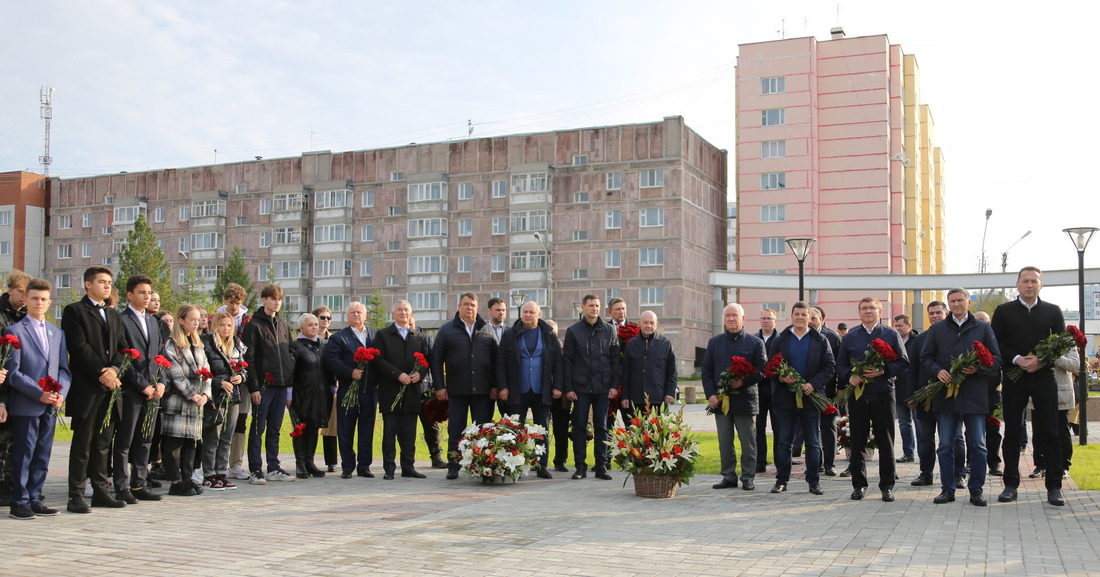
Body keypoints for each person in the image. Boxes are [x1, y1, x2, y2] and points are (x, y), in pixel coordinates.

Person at [991, 266, 1068, 506]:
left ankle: (1054, 486)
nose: (1030, 285)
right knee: (1013, 432)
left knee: (1050, 432)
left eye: (1034, 281)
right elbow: (996, 343)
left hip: (1044, 377)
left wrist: (1042, 359)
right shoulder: (1003, 311)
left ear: (1041, 285)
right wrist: (1016, 359)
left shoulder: (1053, 311)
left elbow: (1062, 342)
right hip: (1015, 379)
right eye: (1025, 281)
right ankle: (1010, 484)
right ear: (1017, 284)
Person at [921, 288, 1001, 506]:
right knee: (946, 445)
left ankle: (976, 489)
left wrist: (979, 368)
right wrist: (937, 370)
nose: (957, 304)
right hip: (946, 396)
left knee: (978, 445)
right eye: (952, 301)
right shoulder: (937, 329)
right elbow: (925, 358)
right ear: (948, 304)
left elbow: (995, 359)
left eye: (960, 300)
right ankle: (948, 489)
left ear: (968, 302)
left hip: (975, 395)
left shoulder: (982, 328)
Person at [63, 266, 128, 513]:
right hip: (88, 388)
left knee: (103, 443)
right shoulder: (74, 311)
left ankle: (101, 491)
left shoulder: (113, 314)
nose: (107, 286)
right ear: (88, 284)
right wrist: (103, 373)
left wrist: (114, 370)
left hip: (110, 389)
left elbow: (124, 349)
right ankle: (76, 495)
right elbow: (79, 348)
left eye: (109, 282)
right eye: (102, 282)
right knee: (83, 443)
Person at [4, 278, 70, 519]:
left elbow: (64, 369)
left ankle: (35, 498)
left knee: (43, 454)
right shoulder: (14, 331)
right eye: (34, 298)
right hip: (27, 404)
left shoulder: (57, 333)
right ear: (27, 300)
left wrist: (60, 393)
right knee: (24, 454)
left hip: (51, 405)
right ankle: (19, 501)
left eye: (43, 299)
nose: (39, 302)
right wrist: (38, 393)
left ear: (50, 302)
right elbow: (13, 373)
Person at [836, 296, 908, 502]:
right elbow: (840, 366)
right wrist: (850, 376)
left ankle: (887, 485)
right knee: (857, 440)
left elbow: (903, 363)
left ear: (880, 311)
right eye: (864, 308)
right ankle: (859, 485)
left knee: (885, 441)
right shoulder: (850, 337)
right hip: (858, 397)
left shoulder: (891, 334)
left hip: (883, 394)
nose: (868, 311)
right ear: (859, 312)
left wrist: (883, 371)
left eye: (872, 308)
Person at [767, 301, 835, 495]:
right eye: (797, 314)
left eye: (804, 314)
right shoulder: (780, 340)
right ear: (791, 316)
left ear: (809, 318)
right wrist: (779, 377)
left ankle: (813, 481)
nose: (800, 317)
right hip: (785, 399)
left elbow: (829, 366)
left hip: (811, 397)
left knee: (813, 442)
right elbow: (771, 366)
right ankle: (781, 480)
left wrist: (813, 383)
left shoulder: (820, 340)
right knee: (784, 442)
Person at [432, 293, 498, 480]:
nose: (470, 308)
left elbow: (496, 361)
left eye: (473, 305)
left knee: (483, 431)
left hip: (483, 391)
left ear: (478, 308)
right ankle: (454, 465)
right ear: (459, 306)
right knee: (456, 430)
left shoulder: (487, 329)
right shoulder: (447, 330)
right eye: (466, 304)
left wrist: (495, 386)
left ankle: (484, 466)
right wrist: (439, 386)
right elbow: (436, 360)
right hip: (456, 389)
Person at [113, 275, 166, 504]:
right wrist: (142, 385)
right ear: (130, 295)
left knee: (146, 439)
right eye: (142, 292)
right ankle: (122, 486)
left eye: (149, 292)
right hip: (131, 390)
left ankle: (139, 483)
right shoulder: (121, 320)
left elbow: (159, 357)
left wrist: (161, 382)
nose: (147, 297)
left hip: (153, 391)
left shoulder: (154, 322)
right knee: (125, 440)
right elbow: (123, 358)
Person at [702, 303, 765, 491]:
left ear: (743, 318)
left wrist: (743, 381)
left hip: (745, 400)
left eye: (735, 315)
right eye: (728, 315)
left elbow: (762, 370)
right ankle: (728, 476)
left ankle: (748, 477)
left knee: (748, 442)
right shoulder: (714, 342)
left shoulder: (755, 343)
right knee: (724, 440)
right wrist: (710, 394)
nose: (731, 319)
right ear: (723, 319)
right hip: (721, 402)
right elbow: (706, 371)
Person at [497, 300, 562, 478]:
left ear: (539, 314)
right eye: (525, 312)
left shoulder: (548, 334)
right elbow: (501, 361)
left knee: (542, 430)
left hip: (542, 390)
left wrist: (557, 386)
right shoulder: (511, 334)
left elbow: (558, 362)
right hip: (518, 390)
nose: (527, 315)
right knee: (515, 431)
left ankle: (541, 465)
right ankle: (514, 465)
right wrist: (503, 386)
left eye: (531, 312)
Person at [242, 284, 296, 484]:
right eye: (273, 298)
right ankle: (255, 469)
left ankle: (273, 466)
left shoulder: (283, 325)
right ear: (264, 300)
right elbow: (250, 359)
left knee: (275, 428)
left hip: (281, 385)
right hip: (264, 386)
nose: (277, 302)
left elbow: (290, 352)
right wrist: (254, 387)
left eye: (279, 299)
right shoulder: (253, 325)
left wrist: (289, 382)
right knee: (258, 427)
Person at [562, 294, 620, 481]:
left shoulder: (610, 331)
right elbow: (568, 361)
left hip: (603, 387)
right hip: (580, 388)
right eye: (591, 305)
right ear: (583, 307)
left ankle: (601, 466)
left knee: (602, 426)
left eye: (597, 305)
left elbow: (614, 361)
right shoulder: (574, 331)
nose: (594, 309)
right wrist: (569, 388)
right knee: (579, 426)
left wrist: (613, 386)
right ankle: (580, 466)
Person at [374, 301, 431, 480]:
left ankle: (408, 467)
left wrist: (419, 374)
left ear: (411, 313)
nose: (403, 313)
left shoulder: (419, 336)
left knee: (409, 433)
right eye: (399, 309)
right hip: (391, 391)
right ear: (393, 313)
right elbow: (378, 360)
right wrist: (397, 374)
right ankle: (389, 469)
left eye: (406, 310)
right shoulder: (383, 335)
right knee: (390, 433)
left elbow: (426, 361)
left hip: (412, 392)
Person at [161, 305, 212, 496]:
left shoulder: (199, 344)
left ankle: (187, 477)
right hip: (179, 400)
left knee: (191, 443)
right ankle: (175, 480)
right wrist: (192, 394)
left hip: (197, 403)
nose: (196, 322)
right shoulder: (172, 344)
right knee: (175, 443)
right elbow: (175, 373)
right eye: (192, 319)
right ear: (181, 320)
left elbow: (207, 371)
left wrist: (206, 394)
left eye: (198, 319)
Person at [325, 301, 378, 479]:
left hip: (369, 390)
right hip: (347, 390)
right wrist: (350, 372)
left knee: (367, 428)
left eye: (359, 312)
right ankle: (347, 466)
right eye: (352, 312)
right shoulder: (339, 337)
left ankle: (364, 466)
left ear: (365, 316)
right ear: (347, 316)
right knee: (346, 429)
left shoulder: (374, 336)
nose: (356, 315)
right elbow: (331, 361)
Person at [200, 312, 247, 490]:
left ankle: (221, 472)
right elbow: (203, 370)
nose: (226, 329)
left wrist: (241, 377)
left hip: (233, 396)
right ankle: (208, 474)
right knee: (213, 436)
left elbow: (244, 366)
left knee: (227, 436)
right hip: (215, 396)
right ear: (215, 326)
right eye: (222, 325)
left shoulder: (236, 343)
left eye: (229, 325)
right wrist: (220, 382)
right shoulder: (207, 343)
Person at [1029, 332, 1079, 483]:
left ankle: (1064, 465)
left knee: (1061, 431)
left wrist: (1055, 356)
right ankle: (1040, 465)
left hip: (1059, 393)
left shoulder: (1066, 340)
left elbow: (1075, 364)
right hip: (1038, 392)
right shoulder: (1033, 336)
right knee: (1038, 431)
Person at [288, 313, 332, 479]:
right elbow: (290, 371)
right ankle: (300, 462)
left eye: (316, 324)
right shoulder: (295, 346)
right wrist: (289, 393)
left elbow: (329, 369)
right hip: (302, 393)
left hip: (321, 393)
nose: (314, 327)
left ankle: (310, 461)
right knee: (301, 428)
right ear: (302, 328)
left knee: (315, 427)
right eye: (310, 325)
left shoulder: (324, 345)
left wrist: (332, 387)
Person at [0, 269, 30, 504]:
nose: (24, 298)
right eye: (20, 292)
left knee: (14, 440)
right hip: (2, 387)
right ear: (10, 289)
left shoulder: (25, 316)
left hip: (18, 389)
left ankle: (12, 484)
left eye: (26, 294)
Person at [620, 311, 677, 413]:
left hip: (658, 398)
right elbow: (626, 373)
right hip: (636, 399)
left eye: (652, 323)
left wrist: (670, 392)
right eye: (645, 322)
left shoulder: (665, 343)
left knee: (658, 429)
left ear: (657, 324)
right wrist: (625, 396)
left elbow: (672, 371)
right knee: (636, 429)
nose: (648, 326)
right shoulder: (631, 344)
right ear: (639, 323)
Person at [409, 312, 446, 469]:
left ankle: (436, 455)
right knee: (406, 428)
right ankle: (408, 458)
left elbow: (434, 362)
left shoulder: (425, 338)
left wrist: (438, 386)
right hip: (404, 389)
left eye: (411, 324)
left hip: (424, 389)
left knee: (431, 426)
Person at [809, 306, 841, 476]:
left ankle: (829, 463)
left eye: (814, 318)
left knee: (828, 427)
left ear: (822, 319)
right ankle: (816, 462)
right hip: (808, 391)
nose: (811, 321)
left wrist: (838, 388)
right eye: (809, 318)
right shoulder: (803, 336)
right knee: (812, 428)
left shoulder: (832, 337)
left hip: (828, 391)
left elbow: (837, 365)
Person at [973, 311, 1004, 478]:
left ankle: (994, 463)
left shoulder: (995, 341)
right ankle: (971, 462)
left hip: (993, 393)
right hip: (972, 393)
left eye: (984, 322)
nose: (980, 325)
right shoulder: (969, 341)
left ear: (989, 323)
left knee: (994, 429)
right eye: (977, 321)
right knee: (971, 430)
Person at [311, 305, 339, 473]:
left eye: (329, 318)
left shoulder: (334, 339)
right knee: (313, 424)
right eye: (322, 317)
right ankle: (309, 459)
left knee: (331, 425)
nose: (326, 321)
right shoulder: (307, 339)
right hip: (312, 387)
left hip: (331, 386)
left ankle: (331, 461)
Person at [754, 308, 779, 473]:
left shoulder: (782, 339)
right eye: (763, 318)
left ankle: (779, 462)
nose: (766, 321)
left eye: (769, 318)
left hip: (777, 390)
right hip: (758, 390)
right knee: (758, 428)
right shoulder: (754, 339)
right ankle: (760, 462)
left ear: (775, 321)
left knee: (779, 429)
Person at [546, 318, 571, 473]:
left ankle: (560, 460)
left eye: (552, 330)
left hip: (561, 397)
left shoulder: (564, 349)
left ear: (557, 332)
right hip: (542, 395)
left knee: (561, 429)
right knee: (541, 429)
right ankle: (539, 460)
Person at [892, 314, 918, 463]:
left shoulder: (917, 341)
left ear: (909, 325)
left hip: (915, 390)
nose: (897, 328)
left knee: (918, 423)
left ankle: (924, 453)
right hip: (899, 389)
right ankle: (908, 452)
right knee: (903, 423)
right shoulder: (893, 341)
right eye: (896, 326)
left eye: (900, 325)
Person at [484, 297, 508, 417]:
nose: (501, 313)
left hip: (506, 385)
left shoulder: (511, 332)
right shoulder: (481, 331)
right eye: (498, 310)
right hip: (486, 385)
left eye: (503, 310)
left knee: (509, 423)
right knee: (485, 422)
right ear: (489, 311)